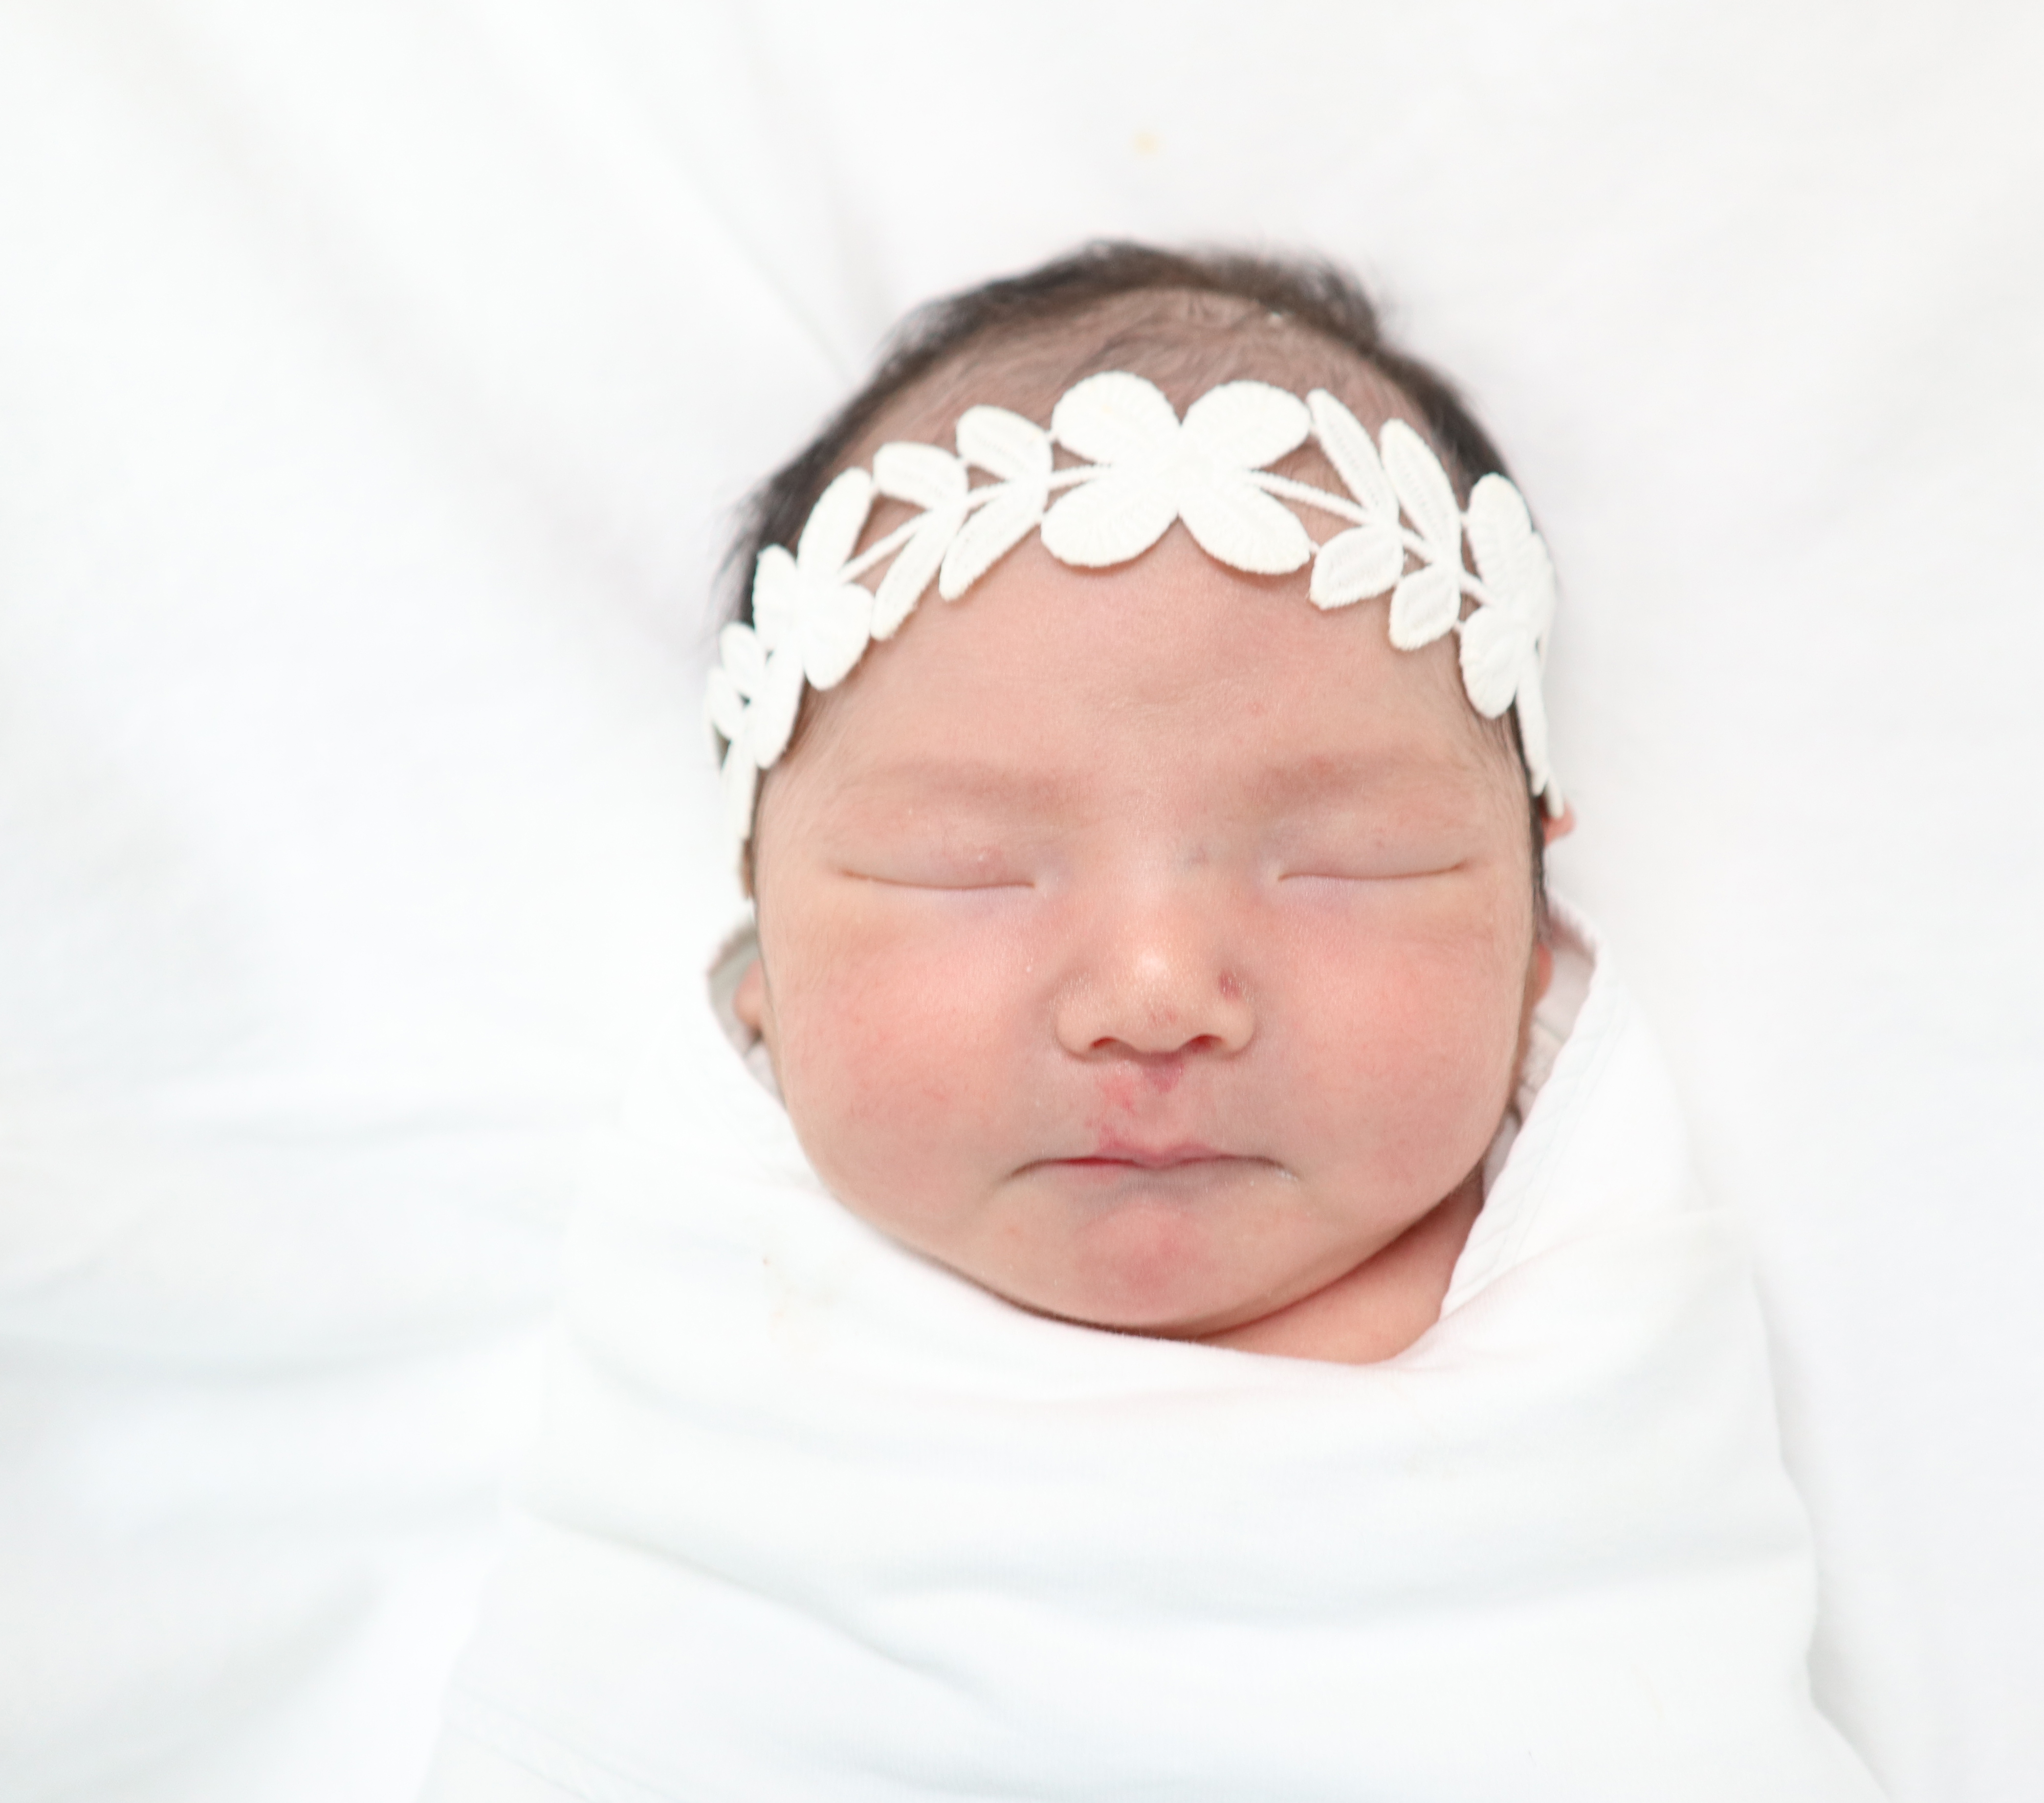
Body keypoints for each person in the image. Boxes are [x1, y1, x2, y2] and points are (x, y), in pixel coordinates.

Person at [422, 243, 1884, 1801]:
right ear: (761, 951)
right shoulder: (701, 1310)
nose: (1155, 994)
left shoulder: (1595, 1306)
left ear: (1533, 935)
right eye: (965, 869)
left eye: (1342, 863)